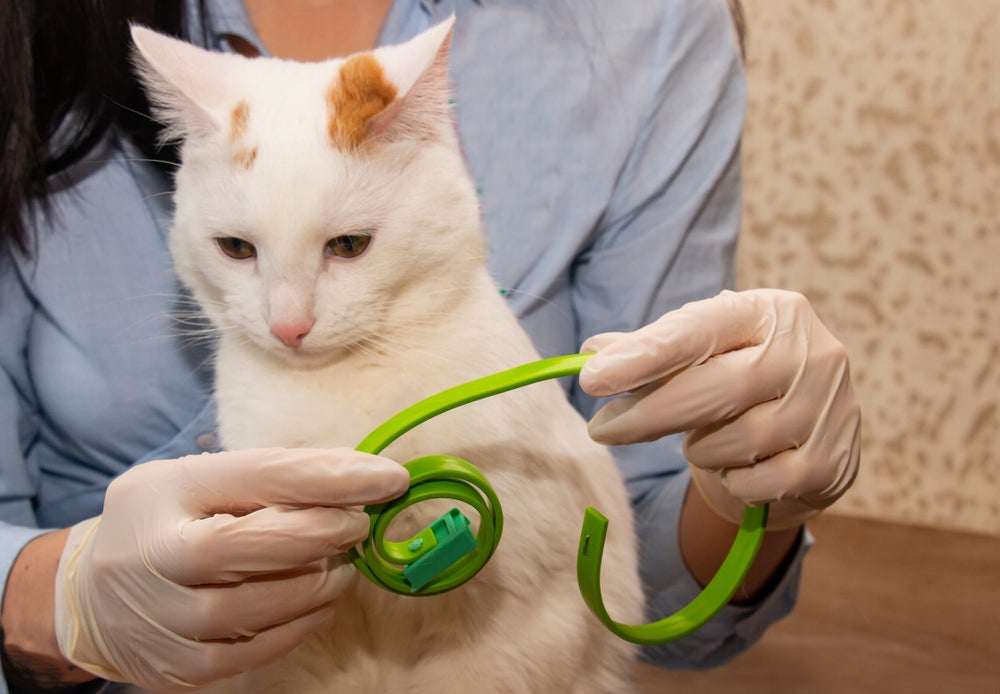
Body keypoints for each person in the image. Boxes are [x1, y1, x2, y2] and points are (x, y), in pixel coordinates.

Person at [0, 0, 860, 691]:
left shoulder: (647, 29)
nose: (286, 322)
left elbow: (664, 596)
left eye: (346, 246)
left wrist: (752, 485)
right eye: (238, 251)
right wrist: (55, 592)